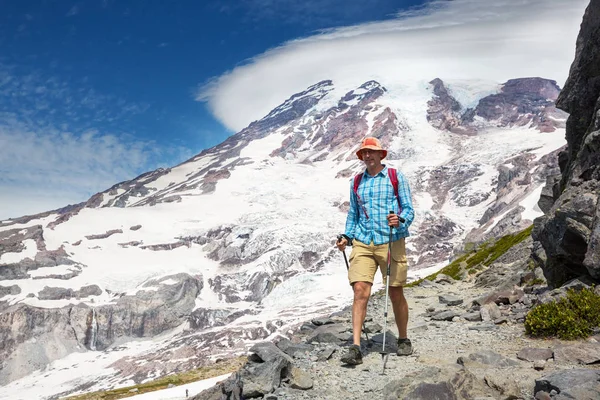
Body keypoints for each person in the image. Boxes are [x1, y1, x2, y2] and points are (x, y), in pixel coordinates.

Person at [336, 136, 415, 365]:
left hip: (391, 239)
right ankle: (356, 346)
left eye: (371, 152)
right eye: (364, 153)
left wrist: (399, 220)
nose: (368, 156)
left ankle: (402, 338)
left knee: (395, 291)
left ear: (381, 154)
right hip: (363, 240)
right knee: (360, 290)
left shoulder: (394, 177)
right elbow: (354, 214)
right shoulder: (356, 181)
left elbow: (408, 208)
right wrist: (346, 236)